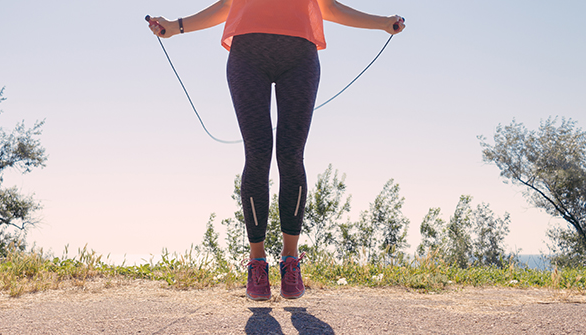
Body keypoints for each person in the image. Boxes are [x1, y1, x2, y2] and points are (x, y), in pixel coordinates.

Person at [148, 0, 405, 301]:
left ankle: (290, 260)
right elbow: (227, 6)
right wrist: (176, 27)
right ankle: (257, 263)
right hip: (247, 55)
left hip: (299, 57)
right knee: (257, 154)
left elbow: (329, 7)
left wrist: (382, 22)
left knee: (291, 155)